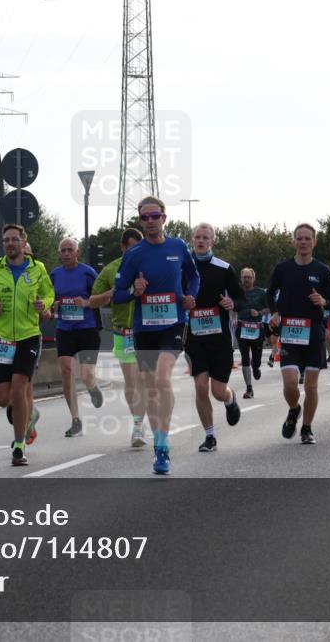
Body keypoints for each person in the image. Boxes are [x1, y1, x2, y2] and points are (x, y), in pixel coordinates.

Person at [113, 197, 199, 475]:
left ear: (164, 217)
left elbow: (193, 277)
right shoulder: (134, 254)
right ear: (140, 221)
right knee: (151, 389)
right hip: (144, 328)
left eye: (154, 216)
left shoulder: (178, 247)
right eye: (144, 218)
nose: (150, 221)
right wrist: (133, 292)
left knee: (162, 379)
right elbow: (118, 293)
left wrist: (190, 297)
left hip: (173, 324)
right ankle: (160, 446)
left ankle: (164, 442)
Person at [0, 224, 54, 467]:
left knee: (20, 388)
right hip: (0, 337)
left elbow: (49, 294)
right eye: (6, 240)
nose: (9, 243)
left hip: (29, 335)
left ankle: (19, 446)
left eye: (14, 239)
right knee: (3, 398)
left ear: (23, 241)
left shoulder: (37, 269)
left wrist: (45, 305)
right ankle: (29, 415)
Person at [267, 223, 330, 445]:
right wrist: (275, 312)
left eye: (308, 238)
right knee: (290, 384)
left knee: (310, 386)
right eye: (299, 238)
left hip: (314, 332)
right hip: (289, 331)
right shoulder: (283, 268)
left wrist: (324, 301)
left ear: (314, 242)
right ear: (293, 242)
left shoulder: (322, 270)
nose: (303, 242)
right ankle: (294, 408)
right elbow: (270, 293)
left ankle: (307, 428)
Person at [184, 224, 243, 452]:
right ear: (192, 240)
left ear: (212, 241)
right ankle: (210, 435)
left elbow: (239, 297)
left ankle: (229, 399)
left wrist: (232, 304)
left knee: (217, 392)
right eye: (197, 237)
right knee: (200, 386)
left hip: (220, 339)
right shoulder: (183, 269)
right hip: (195, 338)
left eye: (205, 237)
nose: (200, 241)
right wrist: (183, 302)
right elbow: (176, 295)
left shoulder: (224, 268)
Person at [88, 228, 146, 447]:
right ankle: (138, 426)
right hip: (124, 332)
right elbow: (93, 301)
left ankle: (142, 422)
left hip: (148, 330)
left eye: (138, 249)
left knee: (145, 381)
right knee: (132, 381)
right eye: (131, 248)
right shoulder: (112, 269)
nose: (135, 253)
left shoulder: (149, 266)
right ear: (123, 248)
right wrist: (111, 294)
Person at [49, 239, 104, 438]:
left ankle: (93, 387)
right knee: (66, 371)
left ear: (77, 252)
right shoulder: (55, 274)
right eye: (62, 250)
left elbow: (102, 298)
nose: (66, 253)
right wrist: (52, 304)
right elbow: (48, 297)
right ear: (59, 253)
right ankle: (75, 419)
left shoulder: (88, 273)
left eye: (69, 250)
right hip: (65, 329)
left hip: (87, 329)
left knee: (86, 375)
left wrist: (87, 302)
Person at [234, 267, 269, 398]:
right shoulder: (237, 292)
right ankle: (249, 388)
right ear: (241, 279)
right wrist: (234, 319)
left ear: (254, 279)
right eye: (244, 277)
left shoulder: (261, 293)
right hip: (241, 327)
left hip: (256, 329)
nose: (247, 280)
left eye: (249, 277)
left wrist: (259, 313)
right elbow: (232, 307)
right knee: (244, 357)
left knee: (256, 356)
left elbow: (268, 309)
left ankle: (256, 367)